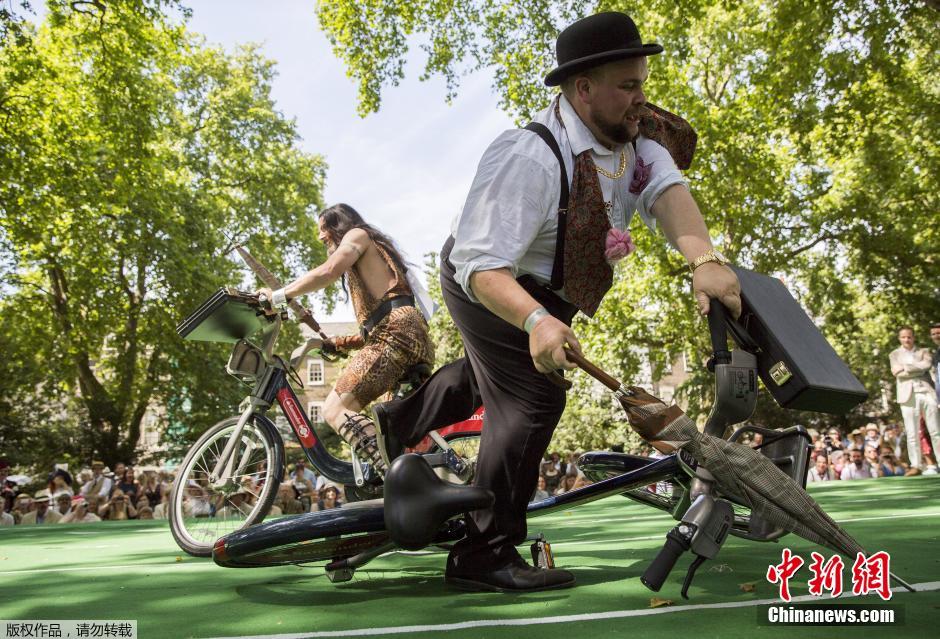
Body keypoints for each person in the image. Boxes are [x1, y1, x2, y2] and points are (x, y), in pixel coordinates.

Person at [370, 11, 741, 592]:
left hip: (551, 288)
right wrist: (537, 320)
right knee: (533, 395)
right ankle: (483, 553)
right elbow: (480, 265)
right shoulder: (529, 157)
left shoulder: (636, 136)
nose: (641, 99)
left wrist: (706, 261)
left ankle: (399, 422)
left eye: (642, 83)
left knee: (492, 375)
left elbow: (667, 191)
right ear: (583, 89)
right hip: (486, 278)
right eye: (628, 85)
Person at [257, 203, 434, 477]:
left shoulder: (358, 235)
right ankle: (412, 474)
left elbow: (328, 271)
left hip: (395, 335)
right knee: (390, 431)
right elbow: (372, 329)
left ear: (339, 224)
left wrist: (280, 295)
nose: (320, 236)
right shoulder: (374, 262)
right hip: (406, 336)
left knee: (335, 409)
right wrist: (333, 343)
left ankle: (397, 478)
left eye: (324, 229)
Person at [889, 326, 940, 470]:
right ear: (899, 338)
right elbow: (897, 373)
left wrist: (905, 367)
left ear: (913, 337)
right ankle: (916, 465)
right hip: (907, 396)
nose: (907, 340)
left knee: (936, 431)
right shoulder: (894, 354)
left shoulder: (924, 351)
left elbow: (926, 365)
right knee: (912, 433)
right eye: (903, 337)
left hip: (927, 393)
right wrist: (917, 368)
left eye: (909, 337)